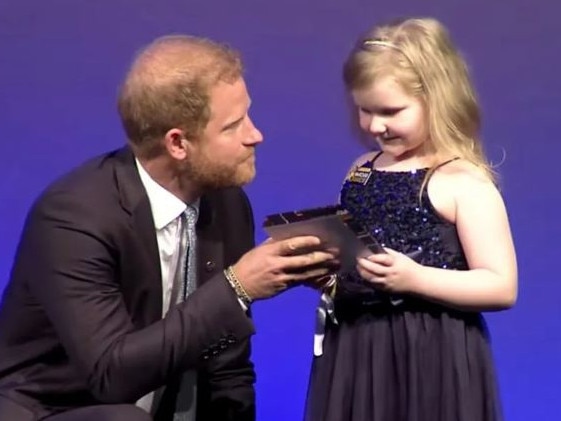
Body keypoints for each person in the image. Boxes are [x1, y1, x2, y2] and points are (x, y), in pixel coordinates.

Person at [0, 35, 335, 421]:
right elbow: (111, 375)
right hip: (57, 409)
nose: (254, 135)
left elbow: (228, 369)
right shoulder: (74, 218)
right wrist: (238, 286)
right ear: (178, 143)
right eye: (234, 125)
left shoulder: (225, 202)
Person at [304, 17, 517, 421]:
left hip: (430, 349)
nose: (374, 125)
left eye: (390, 111)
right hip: (356, 344)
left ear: (436, 99)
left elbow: (501, 285)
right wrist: (330, 274)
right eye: (364, 110)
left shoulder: (461, 181)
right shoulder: (361, 169)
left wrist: (414, 278)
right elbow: (353, 248)